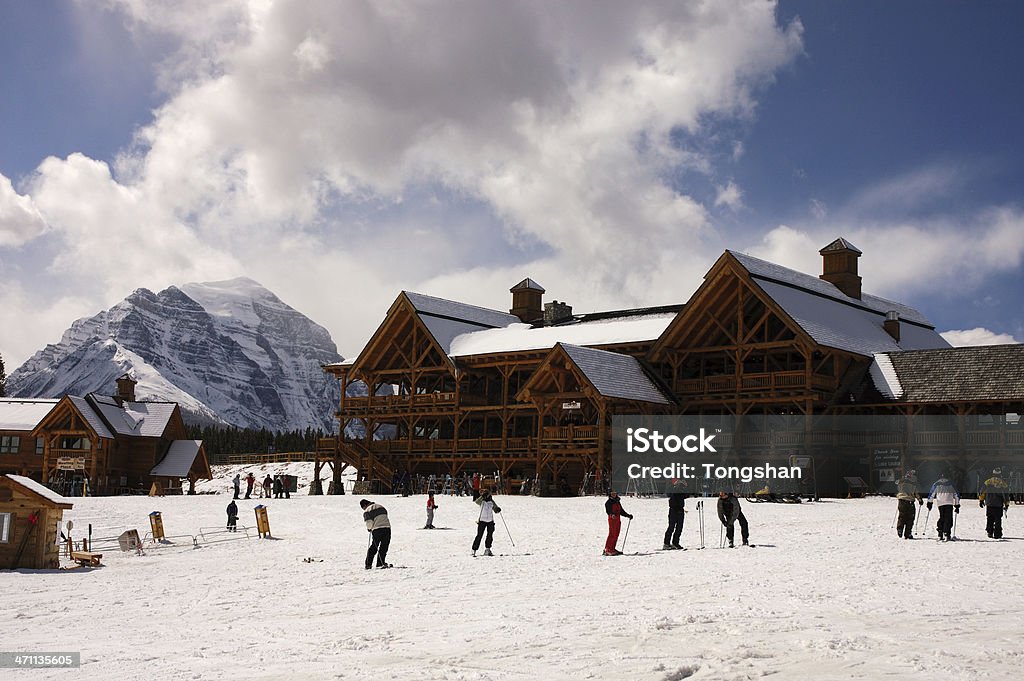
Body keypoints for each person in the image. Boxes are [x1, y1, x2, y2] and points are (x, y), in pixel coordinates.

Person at [927, 473, 961, 541]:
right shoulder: (951, 483)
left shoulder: (936, 483)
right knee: (948, 518)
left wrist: (929, 502)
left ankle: (940, 531)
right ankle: (946, 532)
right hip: (949, 502)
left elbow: (932, 493)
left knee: (942, 517)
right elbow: (956, 494)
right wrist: (957, 505)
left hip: (940, 503)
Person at [359, 499, 392, 569]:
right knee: (384, 546)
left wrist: (369, 529)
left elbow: (369, 522)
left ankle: (368, 563)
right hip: (387, 528)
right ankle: (380, 562)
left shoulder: (367, 510)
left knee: (374, 546)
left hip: (377, 529)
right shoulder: (381, 506)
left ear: (364, 506)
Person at [980, 468, 1010, 539]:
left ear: (993, 474)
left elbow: (982, 491)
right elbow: (1006, 495)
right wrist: (1006, 504)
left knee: (990, 518)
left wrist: (981, 500)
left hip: (989, 503)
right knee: (998, 519)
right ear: (1000, 474)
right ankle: (997, 534)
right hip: (998, 504)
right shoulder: (1003, 483)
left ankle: (989, 532)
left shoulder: (988, 482)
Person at [472, 489, 501, 556]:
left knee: (490, 535)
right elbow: (477, 502)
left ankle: (487, 549)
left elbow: (495, 509)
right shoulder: (481, 501)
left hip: (490, 521)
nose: (488, 495)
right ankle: (474, 549)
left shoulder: (491, 501)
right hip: (482, 520)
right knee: (479, 535)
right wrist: (482, 497)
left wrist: (497, 509)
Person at [895, 470, 923, 539]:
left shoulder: (901, 481)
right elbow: (916, 493)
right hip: (910, 501)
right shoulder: (914, 483)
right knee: (910, 518)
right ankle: (908, 533)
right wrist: (920, 500)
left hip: (901, 500)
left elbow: (896, 484)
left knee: (902, 516)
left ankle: (900, 528)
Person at [604, 490, 633, 556]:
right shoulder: (608, 502)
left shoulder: (617, 501)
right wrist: (612, 515)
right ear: (610, 494)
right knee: (612, 534)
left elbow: (621, 511)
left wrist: (628, 515)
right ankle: (608, 549)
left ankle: (612, 548)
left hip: (617, 520)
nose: (614, 495)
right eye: (612, 494)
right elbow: (608, 511)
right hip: (612, 520)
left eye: (615, 493)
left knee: (616, 534)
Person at [664, 479, 686, 549]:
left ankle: (675, 542)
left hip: (679, 510)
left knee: (679, 528)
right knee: (671, 527)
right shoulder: (674, 490)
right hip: (674, 510)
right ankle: (666, 543)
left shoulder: (680, 490)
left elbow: (686, 495)